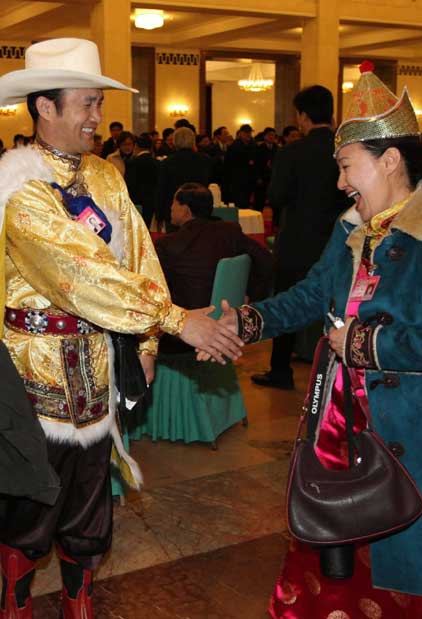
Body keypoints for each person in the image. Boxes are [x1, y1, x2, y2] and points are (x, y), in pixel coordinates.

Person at [0, 37, 242, 619]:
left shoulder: (107, 177)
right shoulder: (18, 186)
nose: (96, 116)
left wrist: (149, 342)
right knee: (31, 500)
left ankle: (79, 602)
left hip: (98, 365)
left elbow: (139, 256)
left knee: (91, 502)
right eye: (85, 103)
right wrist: (175, 320)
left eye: (98, 104)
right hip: (34, 373)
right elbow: (80, 273)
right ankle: (14, 602)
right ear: (45, 107)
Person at [216, 61, 422, 618]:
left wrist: (365, 346)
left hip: (409, 441)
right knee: (327, 577)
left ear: (389, 161)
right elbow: (310, 295)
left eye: (347, 166)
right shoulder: (352, 228)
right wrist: (242, 324)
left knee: (400, 585)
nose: (341, 182)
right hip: (338, 430)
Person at [252, 85, 347, 389]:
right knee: (337, 306)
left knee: (287, 301)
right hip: (338, 240)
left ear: (303, 116)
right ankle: (335, 376)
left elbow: (276, 195)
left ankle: (281, 370)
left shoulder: (292, 152)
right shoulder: (345, 149)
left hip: (297, 241)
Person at [155, 182, 273, 355]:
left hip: (187, 331)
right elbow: (266, 260)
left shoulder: (167, 245)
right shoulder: (229, 232)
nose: (170, 207)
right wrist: (249, 297)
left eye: (174, 202)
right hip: (226, 323)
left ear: (186, 210)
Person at [155, 127, 213, 230]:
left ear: (175, 142)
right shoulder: (205, 160)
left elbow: (162, 189)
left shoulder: (167, 162)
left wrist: (159, 216)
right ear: (193, 141)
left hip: (175, 210)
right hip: (199, 208)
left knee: (175, 238)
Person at [124, 133, 159, 227]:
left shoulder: (132, 163)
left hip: (136, 203)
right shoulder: (156, 162)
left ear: (136, 146)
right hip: (152, 202)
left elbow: (129, 185)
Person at [223, 123, 259, 208]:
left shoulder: (253, 145)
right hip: (236, 180)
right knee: (238, 203)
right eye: (246, 133)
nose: (248, 135)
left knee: (246, 202)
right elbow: (228, 165)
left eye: (249, 133)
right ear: (240, 133)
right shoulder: (234, 147)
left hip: (249, 179)